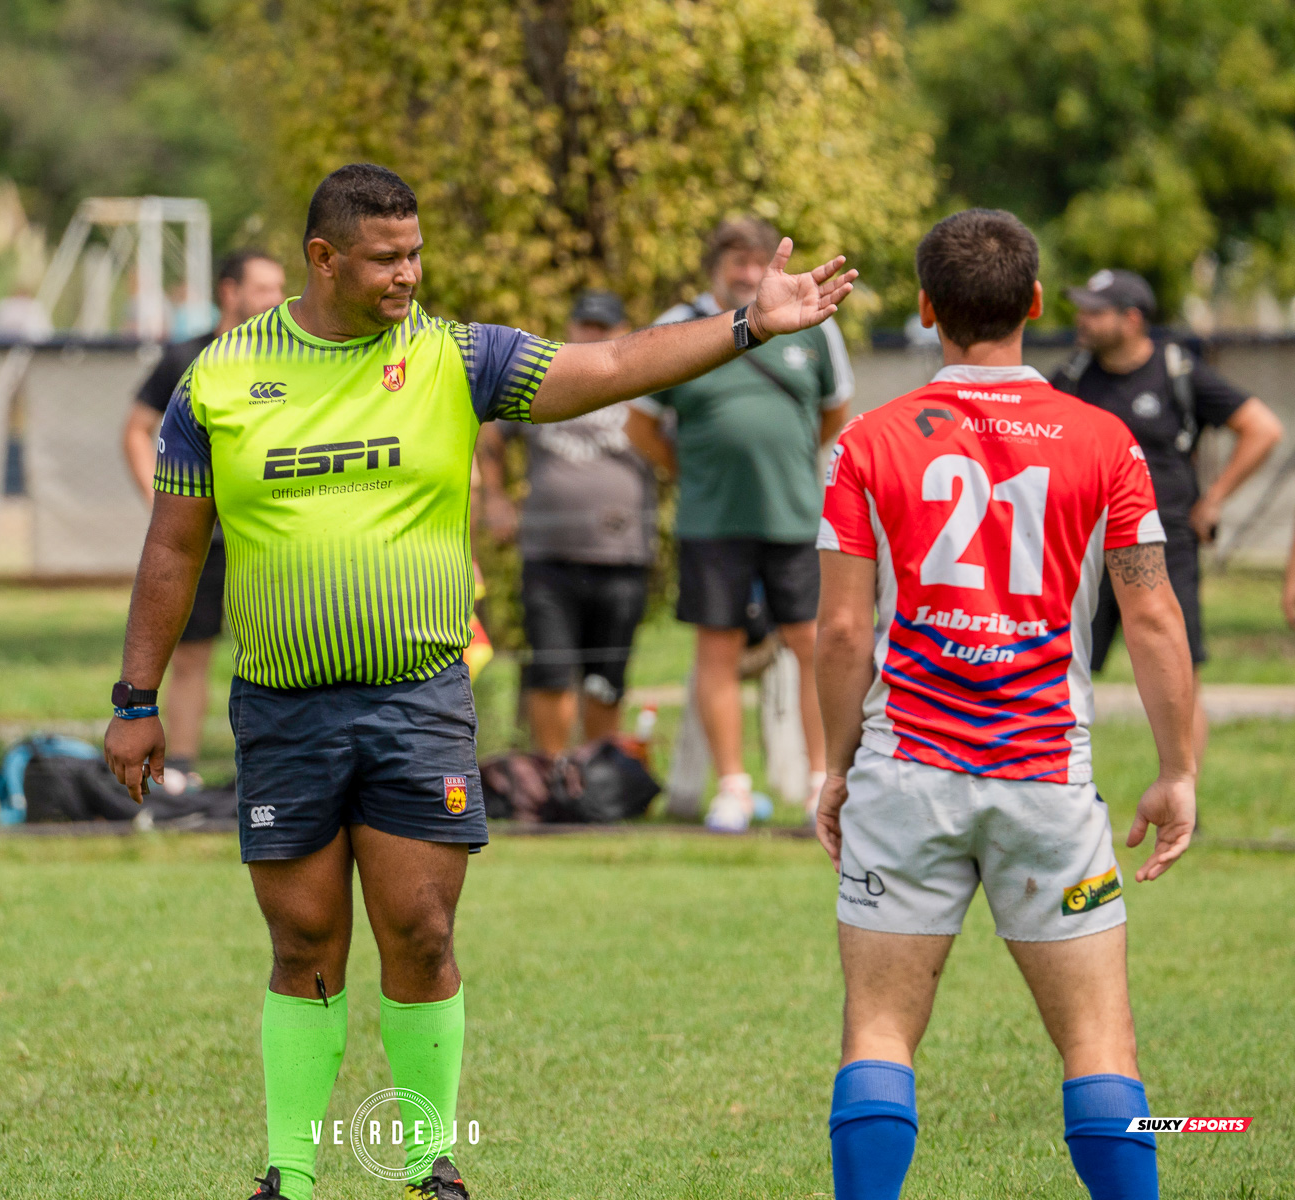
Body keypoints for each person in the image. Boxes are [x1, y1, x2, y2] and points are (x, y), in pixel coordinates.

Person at [103, 162, 854, 1200]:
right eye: (386, 259)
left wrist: (747, 326)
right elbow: (173, 548)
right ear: (323, 259)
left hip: (417, 700)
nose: (409, 275)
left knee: (422, 932)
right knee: (304, 938)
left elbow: (613, 363)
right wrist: (136, 701)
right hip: (283, 707)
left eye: (416, 254)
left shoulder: (455, 356)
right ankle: (290, 1175)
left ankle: (427, 1166)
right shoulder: (219, 379)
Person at [813, 209, 1196, 1200]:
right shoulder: (1105, 440)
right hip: (1046, 779)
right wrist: (1178, 770)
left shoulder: (866, 443)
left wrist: (834, 767)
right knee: (1100, 1042)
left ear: (926, 308)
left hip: (905, 774)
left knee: (879, 1031)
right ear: (1034, 302)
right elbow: (1153, 615)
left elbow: (843, 632)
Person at [630, 217, 855, 829]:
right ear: (716, 266)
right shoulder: (679, 323)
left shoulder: (814, 321)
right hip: (712, 520)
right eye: (737, 260)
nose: (749, 272)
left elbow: (834, 412)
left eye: (759, 260)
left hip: (795, 516)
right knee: (718, 650)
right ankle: (732, 787)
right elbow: (640, 425)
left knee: (811, 645)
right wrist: (695, 472)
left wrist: (780, 460)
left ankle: (819, 781)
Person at [1053, 269, 1283, 766]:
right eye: (1082, 309)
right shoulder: (1071, 378)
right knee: (1058, 669)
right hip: (1086, 547)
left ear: (1132, 319)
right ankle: (1054, 780)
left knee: (1179, 677)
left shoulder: (1177, 371)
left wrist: (1214, 499)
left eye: (1096, 311)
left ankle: (1183, 792)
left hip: (1165, 544)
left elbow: (1263, 428)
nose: (1082, 320)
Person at [121, 248, 287, 790]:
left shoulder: (291, 358)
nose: (276, 299)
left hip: (269, 537)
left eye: (280, 288)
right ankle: (183, 773)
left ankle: (279, 770)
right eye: (263, 288)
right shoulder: (187, 359)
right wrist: (163, 503)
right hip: (205, 541)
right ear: (229, 292)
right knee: (191, 657)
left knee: (281, 653)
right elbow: (135, 430)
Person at [474, 289, 658, 755]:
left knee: (606, 680)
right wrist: (495, 498)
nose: (592, 334)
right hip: (548, 555)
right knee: (551, 673)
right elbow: (491, 431)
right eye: (585, 325)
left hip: (622, 555)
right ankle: (553, 776)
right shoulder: (545, 378)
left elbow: (673, 444)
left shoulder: (644, 383)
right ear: (571, 327)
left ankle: (597, 775)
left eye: (603, 327)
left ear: (622, 331)